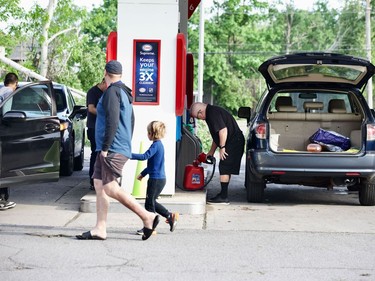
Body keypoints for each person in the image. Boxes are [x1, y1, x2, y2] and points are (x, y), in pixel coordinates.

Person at [76, 60, 159, 241]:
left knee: (110, 187)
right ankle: (100, 228)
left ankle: (147, 217)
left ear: (105, 72)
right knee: (99, 185)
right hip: (112, 146)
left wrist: (107, 147)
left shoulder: (112, 92)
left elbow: (112, 120)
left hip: (111, 148)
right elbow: (131, 120)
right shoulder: (123, 92)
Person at [189, 102, 245, 205]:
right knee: (226, 166)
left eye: (198, 117)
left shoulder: (212, 113)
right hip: (233, 140)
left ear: (200, 112)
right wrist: (211, 152)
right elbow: (217, 135)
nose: (200, 119)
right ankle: (223, 194)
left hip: (234, 141)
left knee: (224, 166)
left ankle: (223, 197)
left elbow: (223, 131)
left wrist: (222, 148)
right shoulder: (211, 112)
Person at [131, 121, 179, 235]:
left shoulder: (156, 145)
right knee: (151, 202)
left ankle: (149, 227)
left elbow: (144, 156)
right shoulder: (158, 145)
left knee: (149, 204)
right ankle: (169, 216)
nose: (147, 134)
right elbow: (153, 165)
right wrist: (143, 174)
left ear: (153, 133)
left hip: (156, 180)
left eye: (148, 132)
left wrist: (128, 154)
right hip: (159, 179)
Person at [0, 72, 19, 211]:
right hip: (3, 133)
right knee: (5, 166)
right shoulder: (9, 93)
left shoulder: (1, 90)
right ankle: (2, 199)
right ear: (15, 83)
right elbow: (8, 115)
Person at [86, 78, 107, 190]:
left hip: (102, 127)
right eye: (107, 85)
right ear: (103, 82)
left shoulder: (106, 92)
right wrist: (105, 114)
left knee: (102, 153)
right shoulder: (93, 92)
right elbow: (91, 108)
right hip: (93, 127)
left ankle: (101, 179)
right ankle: (92, 181)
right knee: (95, 153)